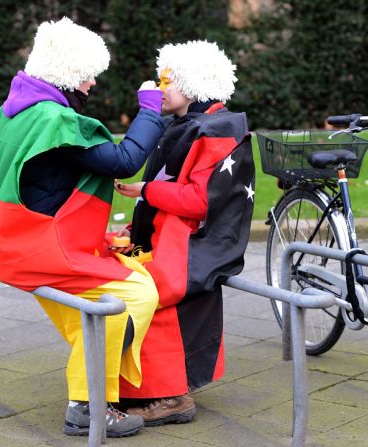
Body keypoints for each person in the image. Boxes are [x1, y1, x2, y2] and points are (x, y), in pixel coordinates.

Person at [0, 17, 165, 438]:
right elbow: (123, 162)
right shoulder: (55, 120)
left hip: (8, 240)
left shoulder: (17, 106)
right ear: (67, 75)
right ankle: (88, 404)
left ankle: (98, 390)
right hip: (38, 248)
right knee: (133, 294)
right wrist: (150, 110)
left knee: (122, 283)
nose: (91, 86)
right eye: (86, 77)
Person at [113, 40, 255, 426]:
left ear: (191, 84)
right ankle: (144, 389)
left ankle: (171, 396)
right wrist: (138, 222)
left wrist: (146, 192)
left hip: (194, 244)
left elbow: (200, 200)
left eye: (166, 80)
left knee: (152, 295)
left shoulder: (216, 130)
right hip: (172, 235)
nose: (159, 88)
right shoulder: (187, 125)